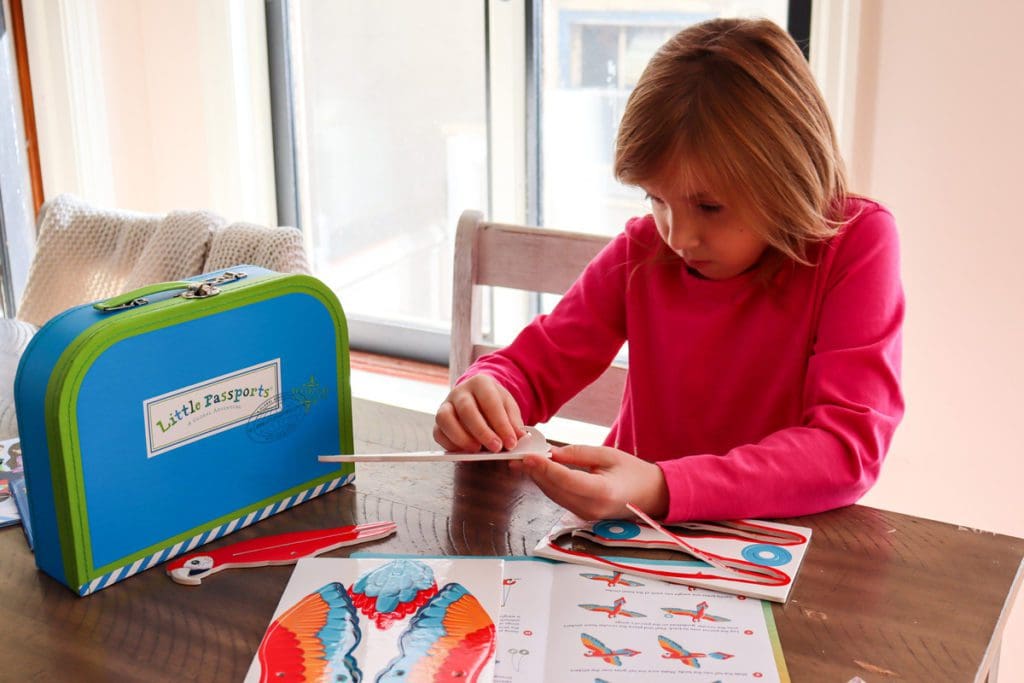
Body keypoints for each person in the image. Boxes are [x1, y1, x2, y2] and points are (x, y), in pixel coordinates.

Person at [433, 17, 904, 523]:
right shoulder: (644, 247)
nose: (677, 237)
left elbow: (846, 450)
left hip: (772, 544)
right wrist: (488, 391)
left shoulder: (855, 242)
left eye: (710, 207)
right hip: (625, 541)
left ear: (786, 177)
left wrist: (663, 487)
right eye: (657, 198)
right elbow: (537, 363)